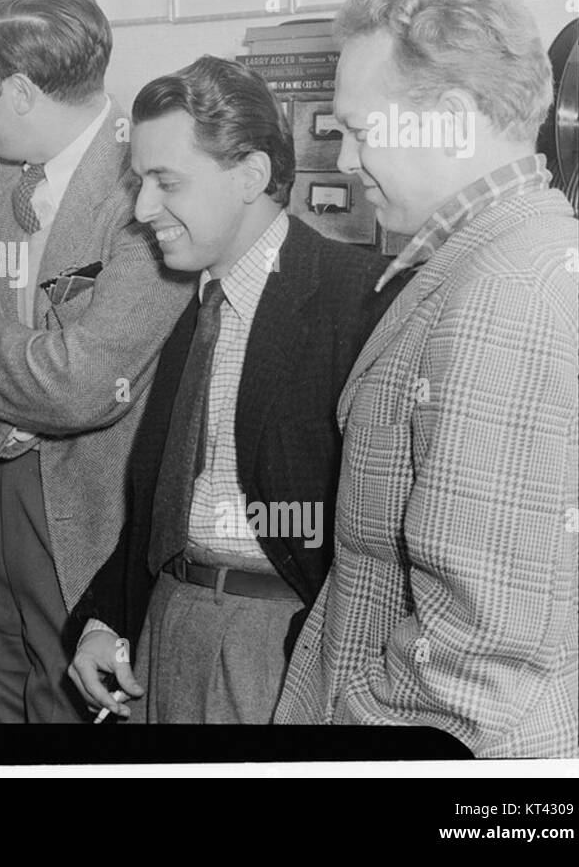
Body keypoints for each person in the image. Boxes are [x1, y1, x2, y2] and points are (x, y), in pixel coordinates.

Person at [273, 0, 579, 757]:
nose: (343, 164)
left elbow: (476, 657)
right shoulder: (498, 258)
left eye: (360, 131)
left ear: (447, 118)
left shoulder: (503, 293)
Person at [66, 56, 406, 724]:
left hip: (284, 648)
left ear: (250, 174)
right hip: (170, 628)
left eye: (166, 183)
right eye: (139, 183)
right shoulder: (192, 301)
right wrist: (106, 618)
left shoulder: (363, 302)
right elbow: (158, 512)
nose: (142, 209)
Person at [0, 0, 196, 723]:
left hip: (94, 530)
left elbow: (83, 384)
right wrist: (1, 417)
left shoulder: (151, 183)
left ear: (21, 92)